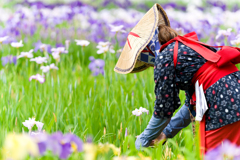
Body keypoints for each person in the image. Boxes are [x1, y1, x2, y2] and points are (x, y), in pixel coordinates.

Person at [114, 3, 240, 155]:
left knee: (215, 156)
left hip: (223, 105)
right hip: (233, 93)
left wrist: (143, 140)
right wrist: (166, 134)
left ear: (147, 51)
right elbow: (190, 105)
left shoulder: (164, 57)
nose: (149, 64)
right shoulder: (185, 47)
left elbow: (164, 108)